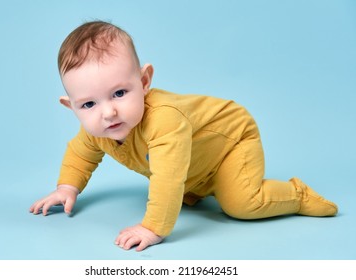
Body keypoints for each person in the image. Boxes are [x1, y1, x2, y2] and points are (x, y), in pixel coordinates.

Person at [29, 20, 338, 252]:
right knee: (190, 189)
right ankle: (205, 185)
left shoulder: (163, 120)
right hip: (196, 159)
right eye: (89, 104)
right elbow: (81, 153)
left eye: (120, 93)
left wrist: (153, 228)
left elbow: (167, 178)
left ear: (145, 80)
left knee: (242, 203)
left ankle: (298, 195)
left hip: (231, 140)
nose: (107, 112)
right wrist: (67, 187)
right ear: (72, 107)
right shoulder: (96, 131)